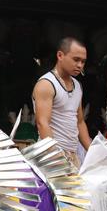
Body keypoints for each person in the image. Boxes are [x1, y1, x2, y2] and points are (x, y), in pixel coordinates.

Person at [33, 37, 92, 168]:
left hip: (72, 156)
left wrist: (93, 152)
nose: (80, 65)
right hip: (51, 156)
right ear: (60, 55)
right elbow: (42, 123)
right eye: (76, 59)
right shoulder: (46, 84)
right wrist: (56, 158)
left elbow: (80, 122)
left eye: (83, 61)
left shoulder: (77, 85)